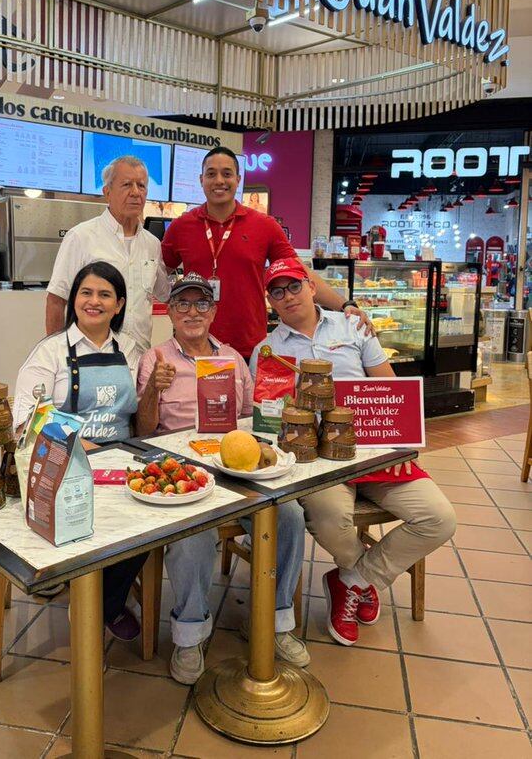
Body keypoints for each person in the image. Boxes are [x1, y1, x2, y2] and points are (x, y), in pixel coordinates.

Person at [251, 258, 457, 648]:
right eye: (277, 291)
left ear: (312, 287)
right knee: (330, 517)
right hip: (316, 463)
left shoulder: (354, 327)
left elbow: (391, 392)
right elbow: (264, 418)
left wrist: (403, 440)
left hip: (374, 450)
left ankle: (352, 580)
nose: (288, 296)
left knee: (439, 518)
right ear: (270, 302)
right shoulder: (266, 350)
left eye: (294, 286)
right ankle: (362, 575)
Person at [136, 272, 309, 685]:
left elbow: (253, 417)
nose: (192, 312)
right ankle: (190, 632)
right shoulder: (155, 358)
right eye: (182, 304)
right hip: (183, 471)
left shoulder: (232, 358)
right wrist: (153, 392)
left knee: (290, 518)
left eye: (201, 304)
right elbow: (142, 431)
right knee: (192, 537)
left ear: (213, 311)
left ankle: (274, 621)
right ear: (170, 312)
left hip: (235, 467)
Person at [14, 261, 144, 640]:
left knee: (150, 519)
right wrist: (83, 448)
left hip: (120, 459)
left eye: (105, 294)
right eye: (86, 293)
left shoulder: (133, 350)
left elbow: (142, 414)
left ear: (118, 305)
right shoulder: (50, 351)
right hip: (62, 465)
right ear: (73, 300)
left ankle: (104, 602)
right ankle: (91, 593)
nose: (94, 301)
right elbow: (26, 418)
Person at [160, 146, 373, 359]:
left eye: (227, 174)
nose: (219, 181)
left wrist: (344, 304)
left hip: (250, 348)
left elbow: (300, 272)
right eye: (211, 174)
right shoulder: (181, 227)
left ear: (238, 179)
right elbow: (156, 275)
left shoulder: (264, 225)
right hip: (194, 346)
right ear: (201, 179)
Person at [46, 156, 171, 352]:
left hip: (138, 357)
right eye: (127, 184)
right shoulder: (81, 237)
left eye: (142, 185)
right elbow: (56, 300)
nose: (136, 193)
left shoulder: (152, 244)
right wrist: (55, 355)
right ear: (107, 192)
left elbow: (165, 294)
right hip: (90, 355)